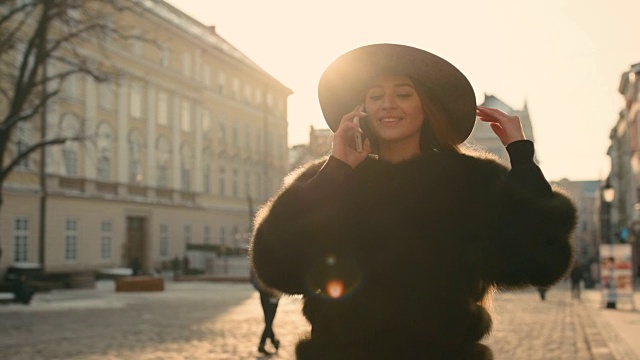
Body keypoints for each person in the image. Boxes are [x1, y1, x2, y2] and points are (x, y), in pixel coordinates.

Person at [250, 43, 576, 359]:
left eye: (403, 94)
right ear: (361, 109)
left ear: (427, 106)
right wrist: (335, 172)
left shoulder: (469, 182)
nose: (387, 104)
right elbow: (277, 266)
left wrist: (521, 158)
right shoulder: (334, 180)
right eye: (375, 96)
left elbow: (542, 261)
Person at [250, 269, 281, 355]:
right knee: (269, 320)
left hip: (268, 294)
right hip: (271, 294)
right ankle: (262, 344)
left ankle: (273, 341)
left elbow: (253, 278)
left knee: (268, 320)